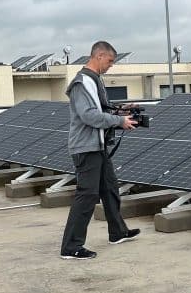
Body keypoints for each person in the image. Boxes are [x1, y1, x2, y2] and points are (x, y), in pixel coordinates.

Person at [59, 40, 140, 259]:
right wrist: (118, 121)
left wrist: (121, 111)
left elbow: (100, 109)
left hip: (99, 146)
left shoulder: (95, 81)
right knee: (87, 195)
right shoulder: (81, 82)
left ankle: (117, 232)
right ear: (99, 56)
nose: (111, 65)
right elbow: (88, 115)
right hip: (86, 147)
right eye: (110, 61)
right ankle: (71, 247)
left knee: (110, 188)